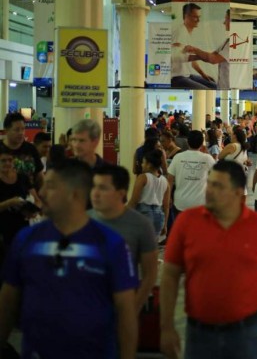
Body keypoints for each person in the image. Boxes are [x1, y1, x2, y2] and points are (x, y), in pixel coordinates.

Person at [0, 159, 138, 358]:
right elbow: (7, 303)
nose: (42, 193)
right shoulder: (26, 239)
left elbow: (125, 313)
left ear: (75, 194)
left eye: (50, 186)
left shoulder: (110, 244)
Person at [160, 161, 257, 359]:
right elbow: (169, 276)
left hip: (247, 332)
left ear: (238, 192)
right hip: (200, 333)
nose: (209, 190)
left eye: (218, 186)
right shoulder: (187, 221)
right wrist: (166, 326)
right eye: (209, 183)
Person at [89, 164, 158, 311]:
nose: (95, 193)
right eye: (94, 187)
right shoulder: (82, 220)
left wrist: (133, 307)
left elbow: (150, 274)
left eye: (103, 188)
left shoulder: (141, 225)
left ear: (121, 193)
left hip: (122, 304)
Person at [167, 130, 215, 214]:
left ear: (187, 142)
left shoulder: (178, 157)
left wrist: (168, 197)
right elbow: (218, 175)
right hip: (201, 203)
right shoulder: (207, 158)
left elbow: (169, 180)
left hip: (180, 202)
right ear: (201, 143)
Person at [171, 3, 217, 89]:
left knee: (214, 85)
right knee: (206, 90)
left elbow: (192, 61)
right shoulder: (179, 33)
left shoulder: (188, 34)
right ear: (186, 16)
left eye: (199, 17)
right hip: (177, 77)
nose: (198, 20)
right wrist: (200, 56)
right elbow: (176, 57)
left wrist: (203, 74)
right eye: (195, 17)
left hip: (188, 75)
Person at [127, 149, 170, 236]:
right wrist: (165, 224)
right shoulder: (165, 181)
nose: (142, 165)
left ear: (149, 165)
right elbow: (166, 205)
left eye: (143, 162)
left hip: (143, 213)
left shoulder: (143, 177)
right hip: (159, 215)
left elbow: (134, 200)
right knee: (152, 243)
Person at [186, 9, 230, 89]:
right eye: (195, 17)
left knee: (209, 88)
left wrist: (195, 50)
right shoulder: (227, 41)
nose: (224, 23)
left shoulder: (233, 43)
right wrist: (190, 57)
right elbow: (211, 56)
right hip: (223, 86)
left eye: (226, 19)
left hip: (228, 87)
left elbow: (213, 59)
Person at [1, 113, 43, 188]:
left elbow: (40, 177)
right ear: (6, 131)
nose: (21, 133)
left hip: (29, 193)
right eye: (17, 130)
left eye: (23, 129)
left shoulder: (31, 149)